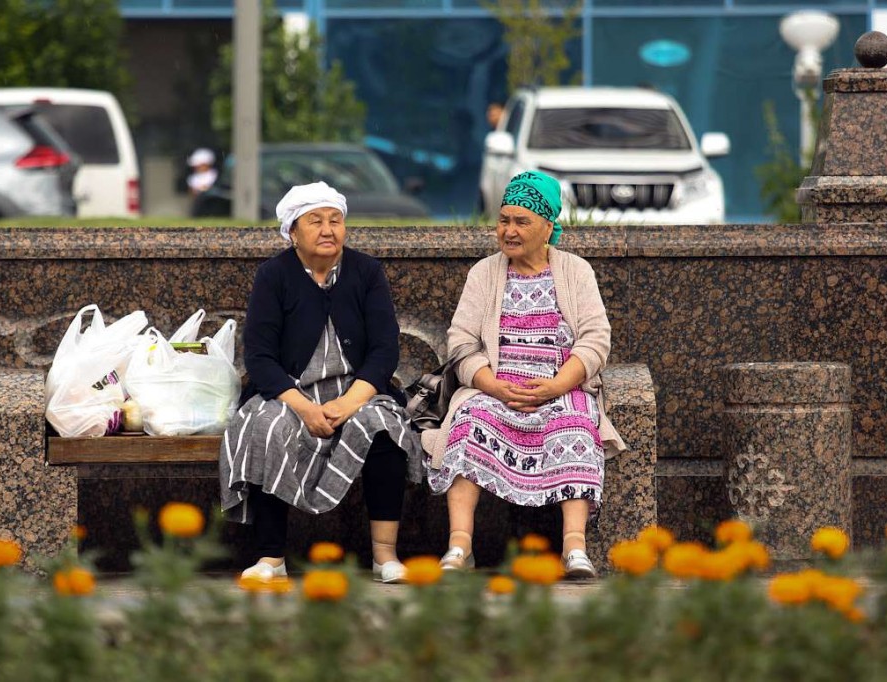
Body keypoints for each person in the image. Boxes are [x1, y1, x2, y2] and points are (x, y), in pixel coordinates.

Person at [422, 171, 626, 578]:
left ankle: (574, 548)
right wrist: (493, 385)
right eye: (503, 220)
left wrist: (556, 385)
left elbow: (595, 339)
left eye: (521, 222)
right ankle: (460, 545)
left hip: (561, 386)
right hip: (494, 388)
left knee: (575, 425)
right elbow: (460, 342)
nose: (509, 231)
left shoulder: (576, 271)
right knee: (469, 421)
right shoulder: (484, 273)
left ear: (548, 227)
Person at [221, 181, 423, 584]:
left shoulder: (366, 272)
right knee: (267, 427)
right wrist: (304, 408)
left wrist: (349, 403)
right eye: (315, 221)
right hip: (289, 394)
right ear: (293, 232)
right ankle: (271, 558)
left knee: (383, 427)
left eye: (335, 220)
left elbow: (384, 350)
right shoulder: (274, 275)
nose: (328, 230)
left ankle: (385, 556)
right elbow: (259, 357)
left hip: (357, 391)